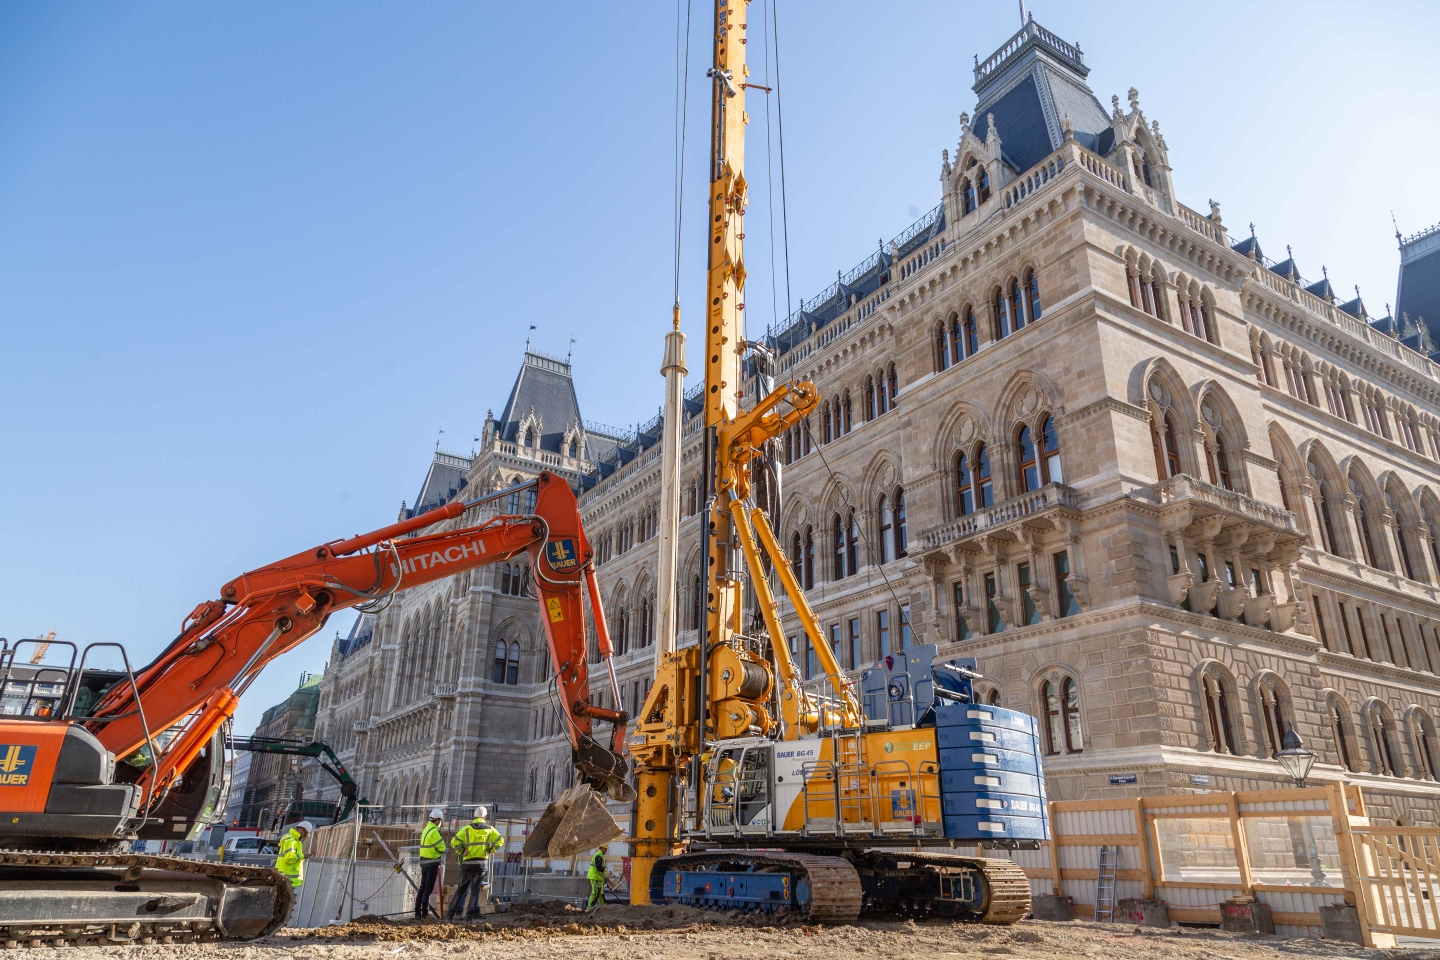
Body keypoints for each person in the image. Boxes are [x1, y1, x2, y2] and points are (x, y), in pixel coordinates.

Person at [446, 805, 502, 921]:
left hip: (468, 863)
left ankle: (450, 915)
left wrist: (462, 850)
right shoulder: (489, 829)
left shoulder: (466, 829)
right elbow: (500, 840)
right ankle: (469, 917)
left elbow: (454, 841)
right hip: (481, 863)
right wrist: (490, 850)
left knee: (461, 889)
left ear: (474, 816)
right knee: (475, 891)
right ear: (485, 817)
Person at [415, 808, 446, 921]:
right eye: (440, 820)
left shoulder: (426, 829)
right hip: (432, 863)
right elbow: (442, 848)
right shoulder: (434, 831)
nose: (440, 823)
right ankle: (424, 914)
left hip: (424, 862)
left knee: (422, 888)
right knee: (427, 890)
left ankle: (417, 913)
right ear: (437, 820)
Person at [275, 821, 313, 893]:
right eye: (305, 834)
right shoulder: (291, 840)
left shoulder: (294, 840)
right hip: (286, 879)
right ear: (301, 830)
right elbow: (289, 858)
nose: (304, 836)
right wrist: (303, 856)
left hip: (286, 879)